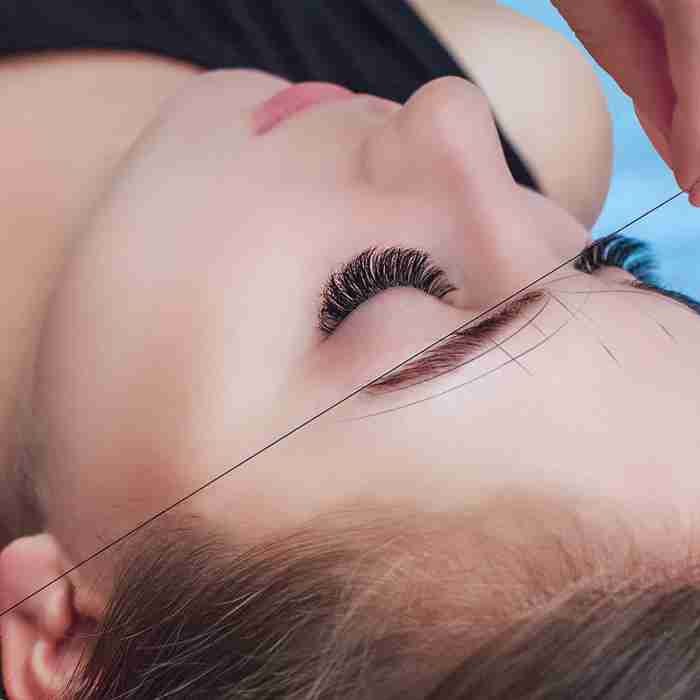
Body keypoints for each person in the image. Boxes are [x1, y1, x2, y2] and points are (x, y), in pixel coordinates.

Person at [0, 1, 698, 698]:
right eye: (606, 261)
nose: (453, 114)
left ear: (79, 651)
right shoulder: (533, 96)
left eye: (380, 290)